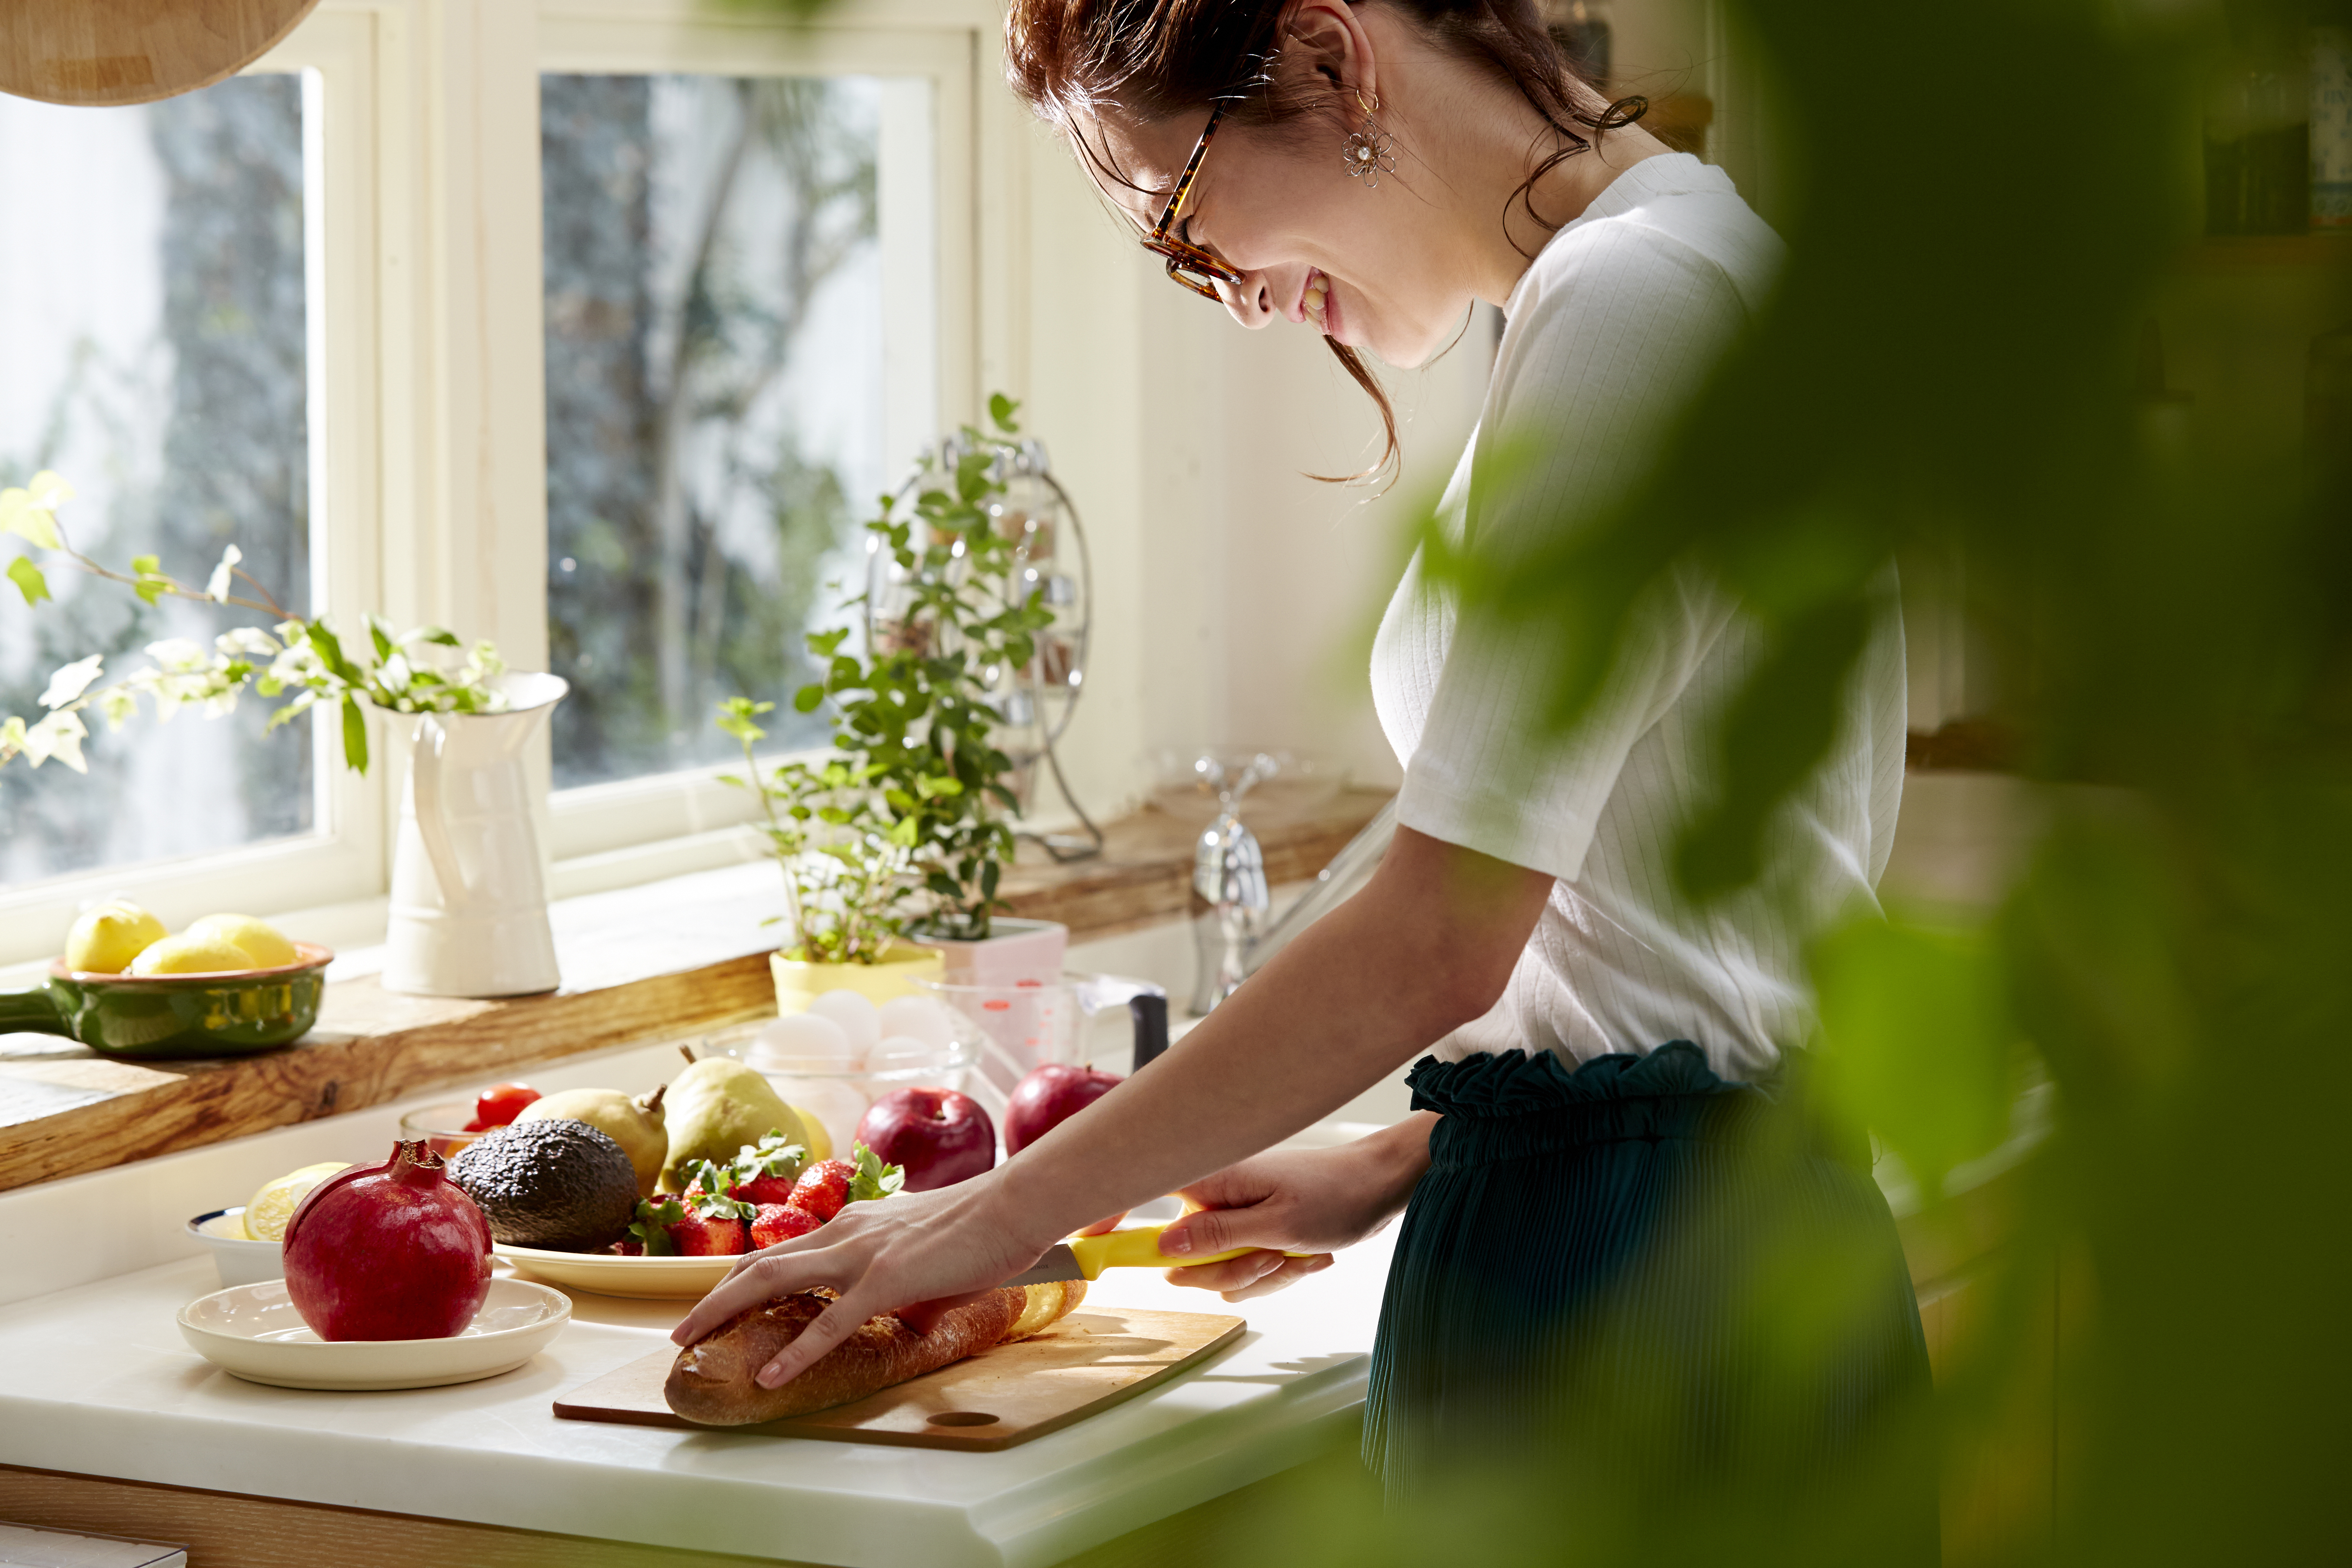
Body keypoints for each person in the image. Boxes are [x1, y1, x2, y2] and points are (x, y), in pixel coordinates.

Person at [677, 0, 1934, 1540]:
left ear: (1335, 57)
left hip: (1621, 1291)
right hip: (1699, 1236)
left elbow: (1436, 940)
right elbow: (1697, 937)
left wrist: (989, 1220)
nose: (1238, 304)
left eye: (1192, 221)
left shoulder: (1627, 312)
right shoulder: (1693, 253)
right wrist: (1406, 1151)